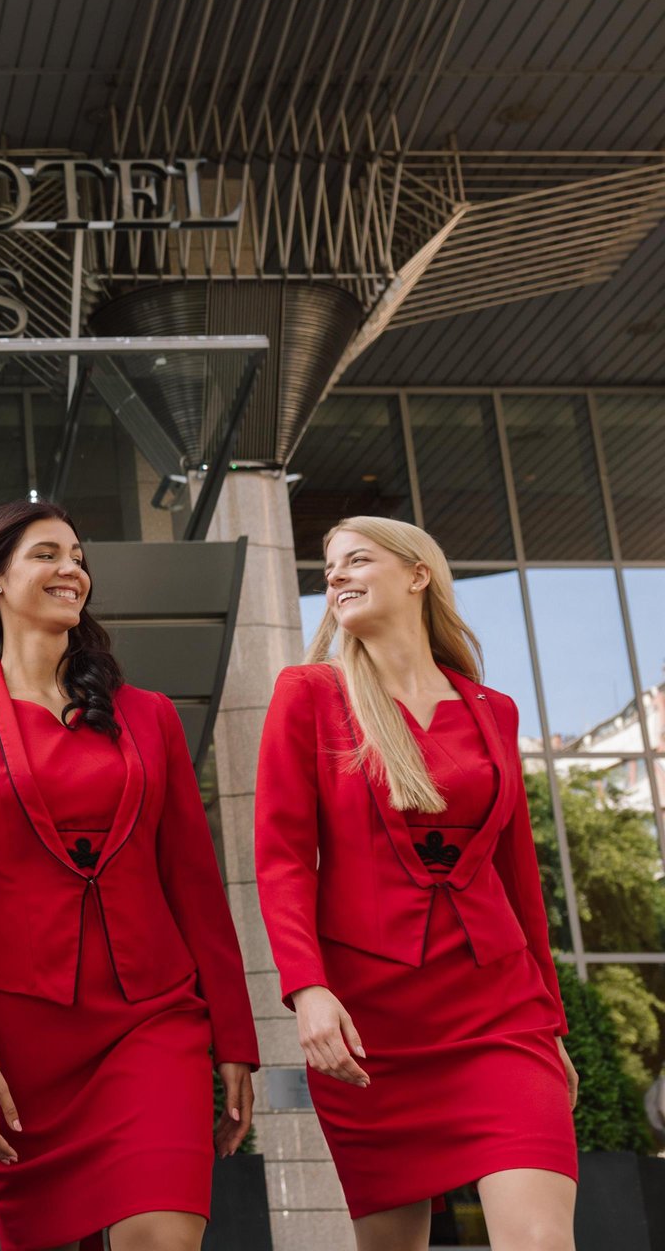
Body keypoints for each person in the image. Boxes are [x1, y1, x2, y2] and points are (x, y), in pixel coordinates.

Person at [0, 500, 257, 1251]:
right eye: (46, 554)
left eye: (77, 556)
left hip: (153, 1018)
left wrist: (233, 1035)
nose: (71, 569)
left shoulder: (151, 716)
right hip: (21, 1038)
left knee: (162, 1236)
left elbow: (194, 885)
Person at [255, 515, 577, 1250]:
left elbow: (519, 880)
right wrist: (308, 990)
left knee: (540, 1240)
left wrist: (551, 1025)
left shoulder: (493, 712)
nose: (334, 575)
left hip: (501, 1015)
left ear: (417, 574)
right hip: (372, 1028)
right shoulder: (310, 694)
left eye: (356, 559)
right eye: (328, 567)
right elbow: (280, 858)